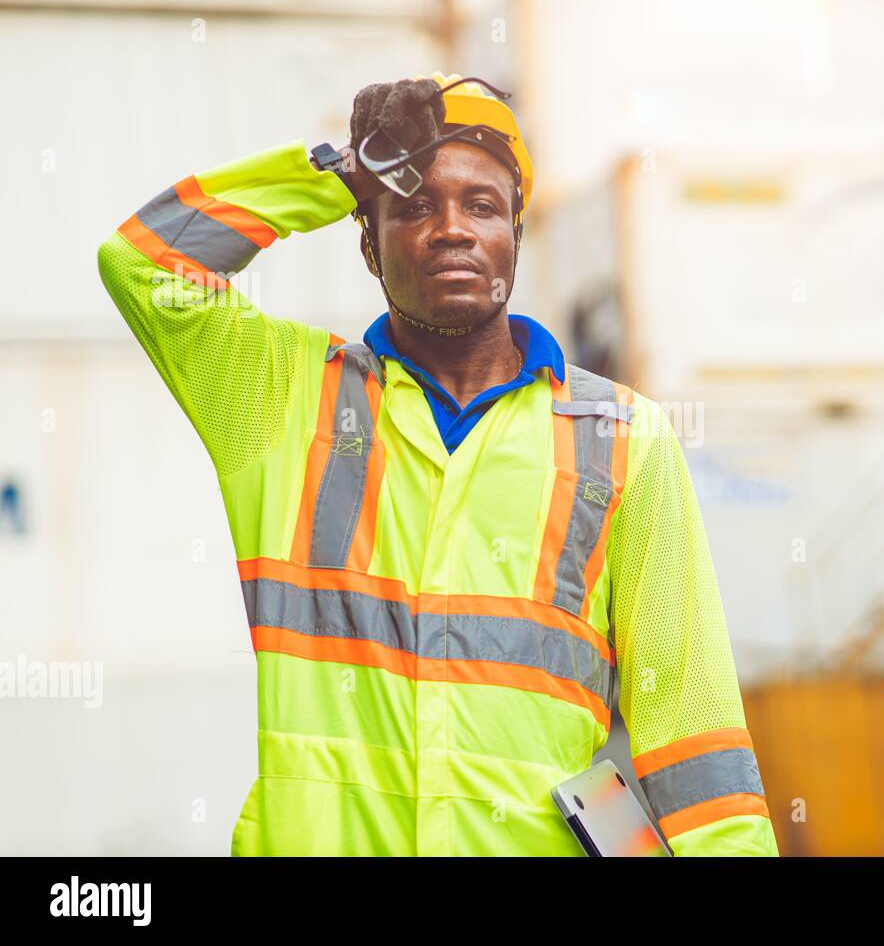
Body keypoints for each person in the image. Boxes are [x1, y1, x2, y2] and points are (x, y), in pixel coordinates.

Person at [97, 72, 779, 856]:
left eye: (483, 206)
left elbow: (693, 732)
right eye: (415, 205)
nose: (452, 228)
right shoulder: (282, 398)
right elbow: (142, 266)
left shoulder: (623, 438)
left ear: (515, 238)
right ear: (366, 242)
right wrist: (334, 172)